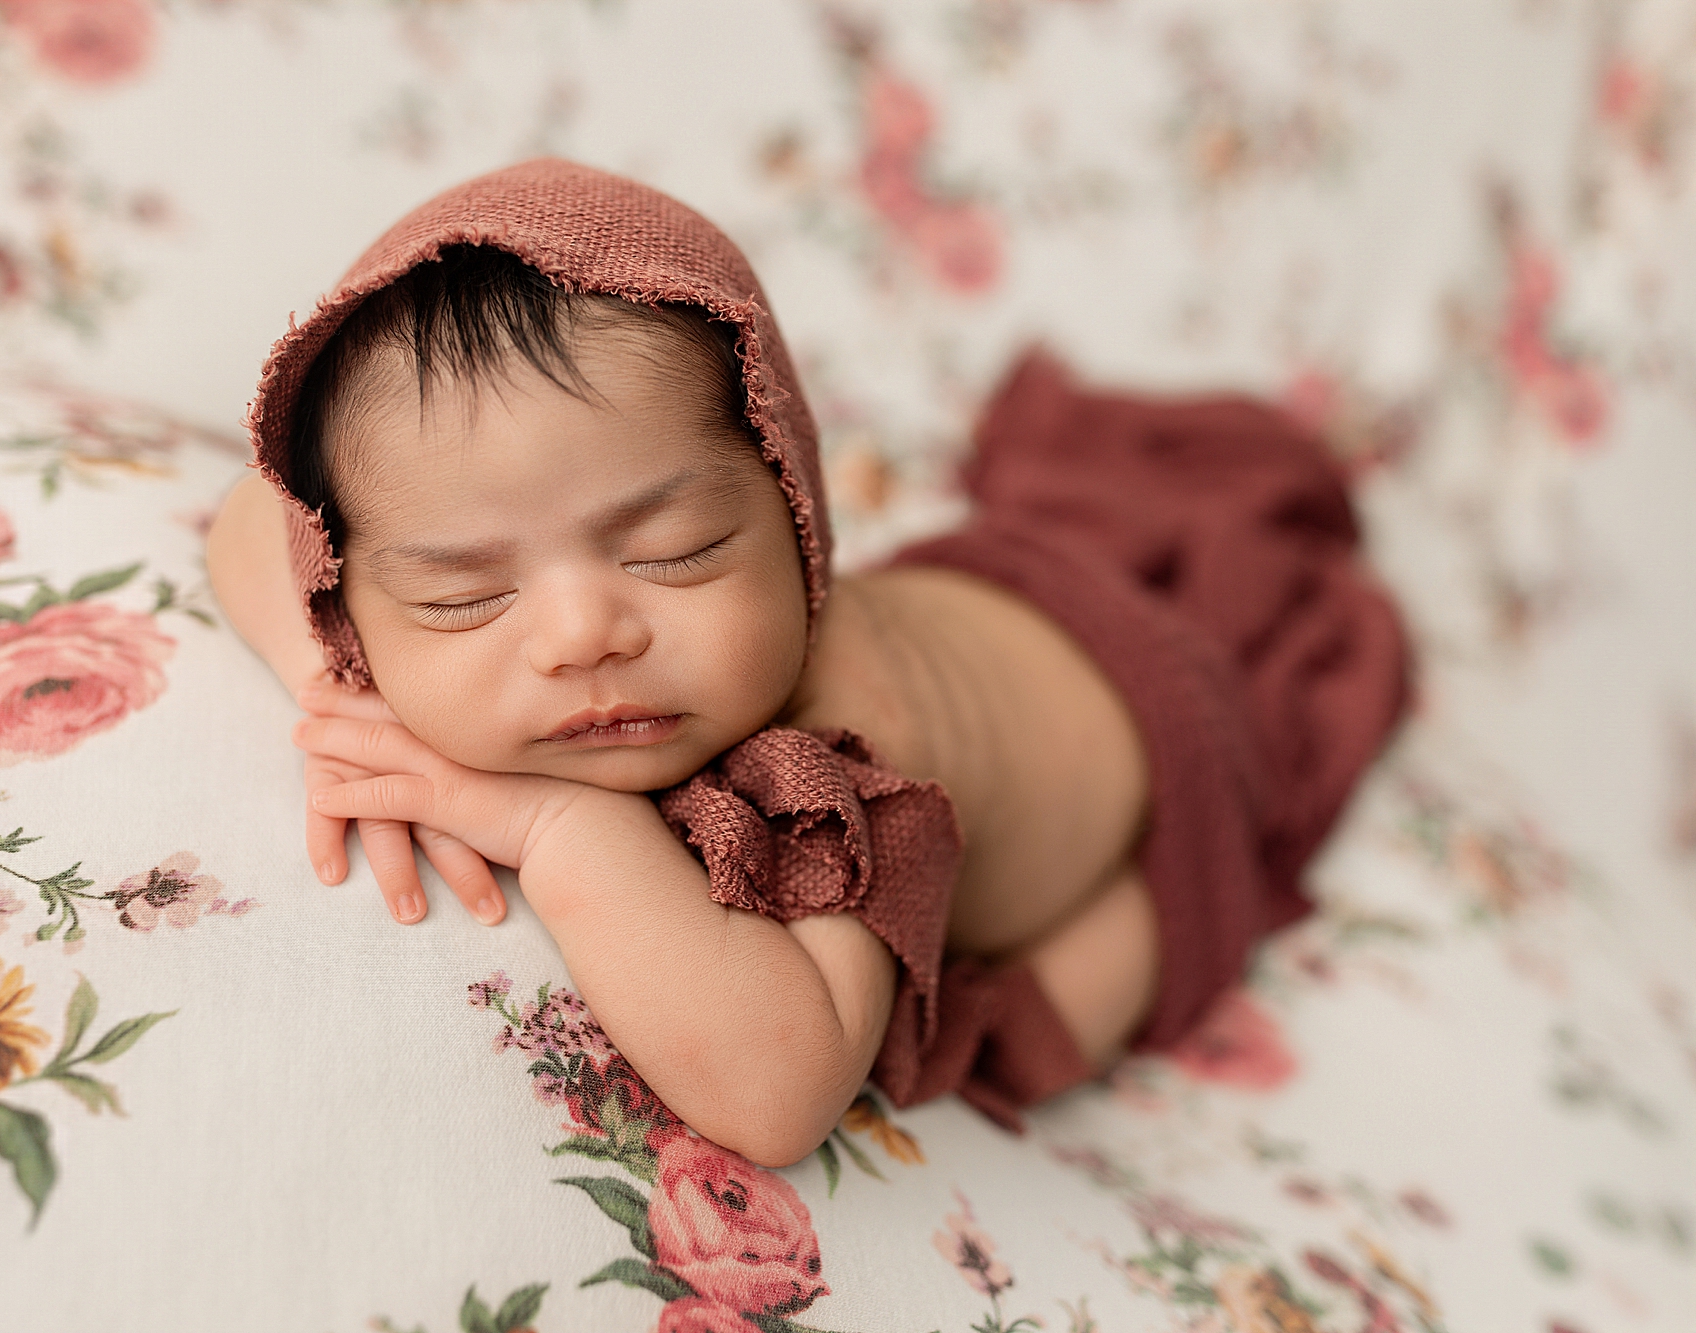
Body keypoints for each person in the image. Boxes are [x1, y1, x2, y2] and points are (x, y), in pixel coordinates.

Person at [205, 160, 1408, 1167]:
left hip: (1162, 738)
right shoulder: (385, 587)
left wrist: (569, 835)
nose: (582, 638)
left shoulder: (825, 766)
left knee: (1066, 1022)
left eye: (676, 552)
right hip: (986, 601)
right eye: (462, 595)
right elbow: (255, 516)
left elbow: (779, 1091)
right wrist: (343, 687)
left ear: (793, 504)